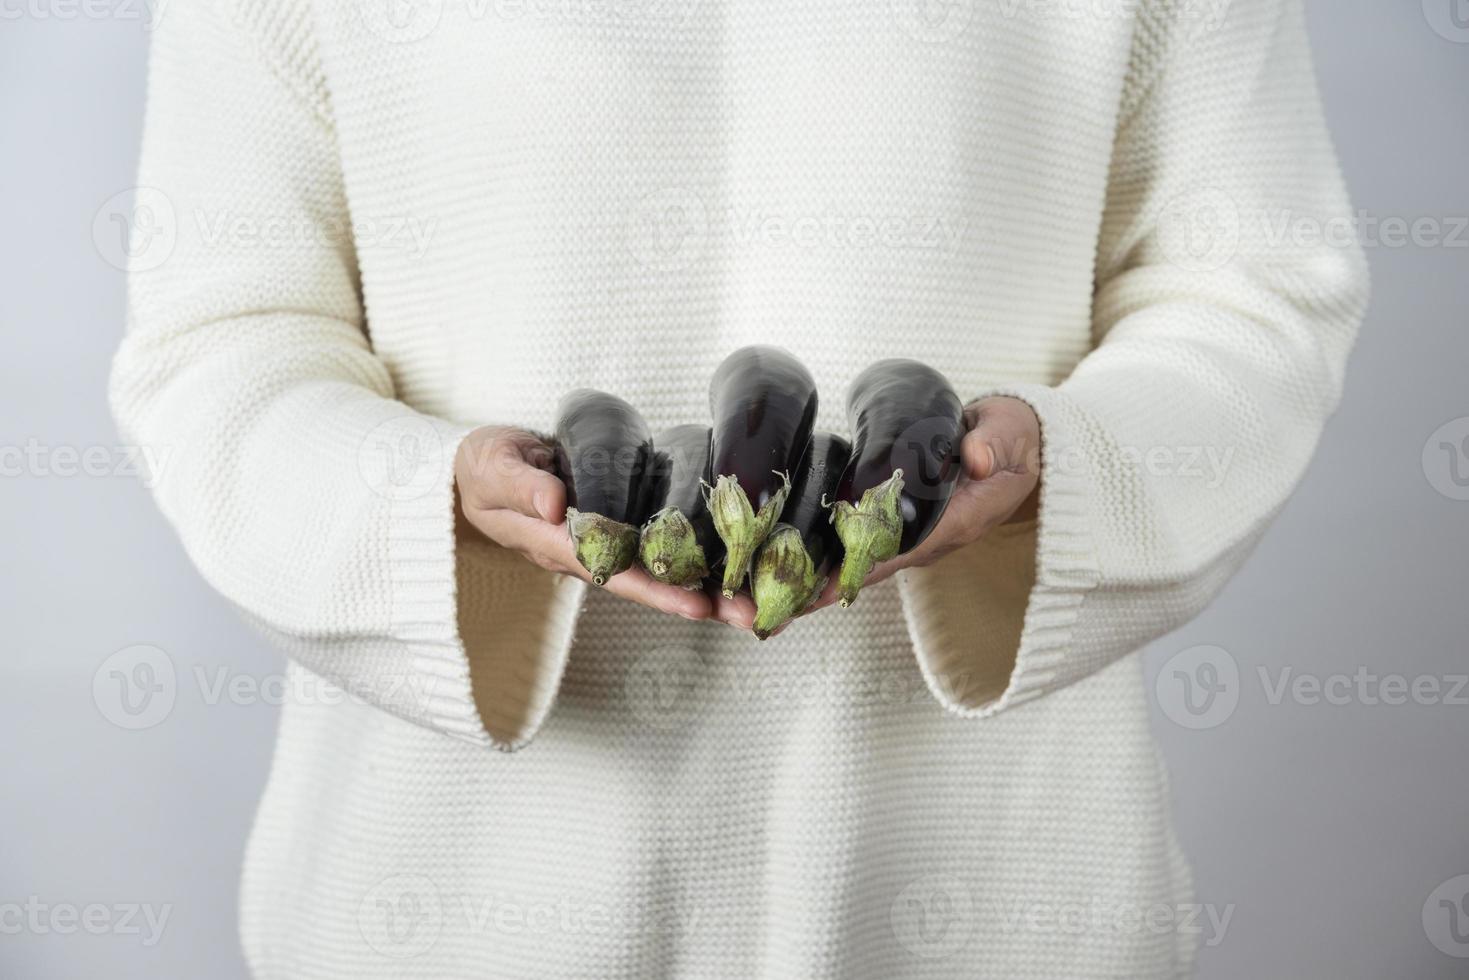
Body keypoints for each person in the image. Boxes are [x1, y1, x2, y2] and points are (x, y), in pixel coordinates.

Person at [111, 0, 1367, 975]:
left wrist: (1055, 471)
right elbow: (225, 343)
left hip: (994, 908)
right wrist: (429, 503)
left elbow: (1250, 288)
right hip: (437, 910)